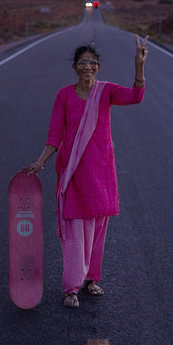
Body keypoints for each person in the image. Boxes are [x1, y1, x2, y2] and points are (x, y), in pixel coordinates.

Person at [24, 34, 148, 308]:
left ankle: (91, 279)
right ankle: (71, 288)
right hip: (73, 172)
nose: (88, 67)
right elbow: (55, 133)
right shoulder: (64, 95)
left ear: (98, 67)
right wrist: (41, 161)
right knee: (75, 229)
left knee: (98, 228)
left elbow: (135, 97)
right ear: (75, 67)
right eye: (82, 62)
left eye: (92, 62)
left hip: (101, 170)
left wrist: (138, 66)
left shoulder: (106, 92)